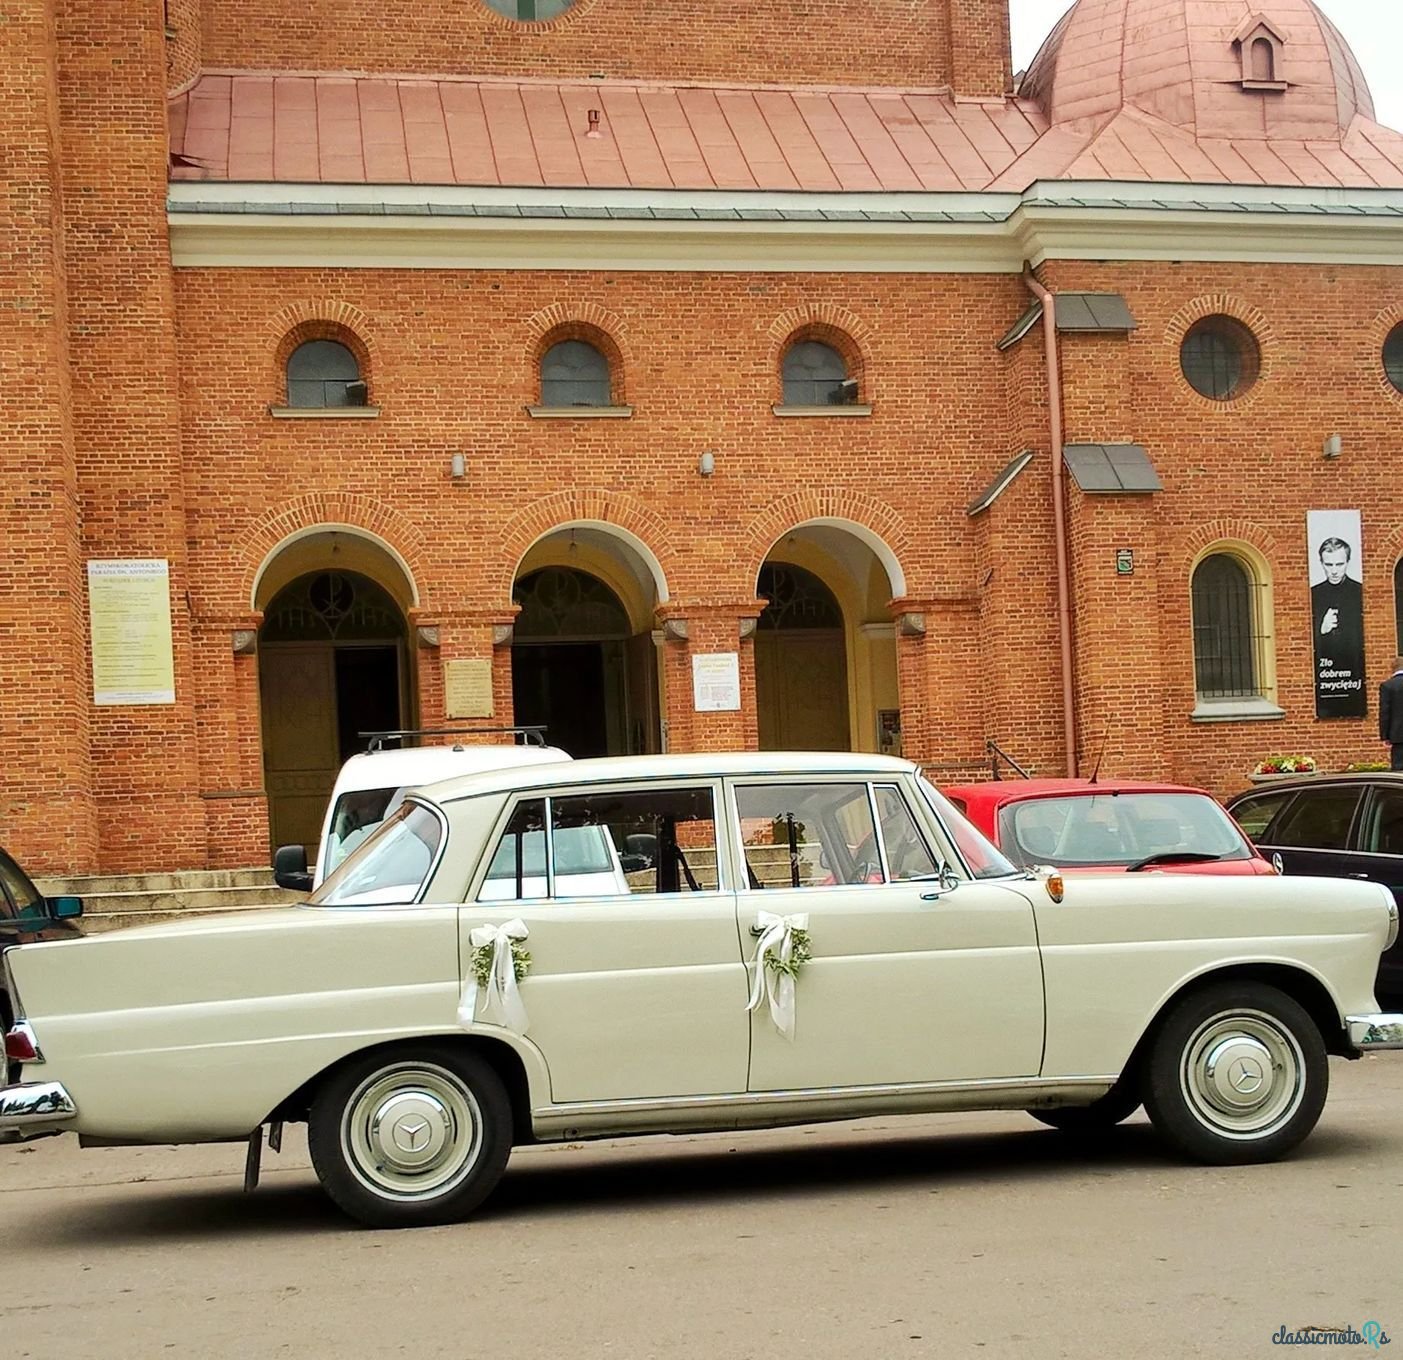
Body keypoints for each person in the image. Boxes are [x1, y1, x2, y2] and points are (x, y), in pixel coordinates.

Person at [1311, 536, 1365, 715]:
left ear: (1348, 562)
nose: (1334, 571)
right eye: (1329, 565)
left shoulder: (1358, 592)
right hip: (1325, 673)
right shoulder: (1314, 594)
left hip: (1353, 669)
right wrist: (1322, 630)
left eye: (1339, 564)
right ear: (1321, 563)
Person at [1380, 656, 1403, 772]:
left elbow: (1385, 711)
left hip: (1397, 735)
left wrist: (1385, 735)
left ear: (1392, 669)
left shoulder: (1387, 686)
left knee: (1399, 770)